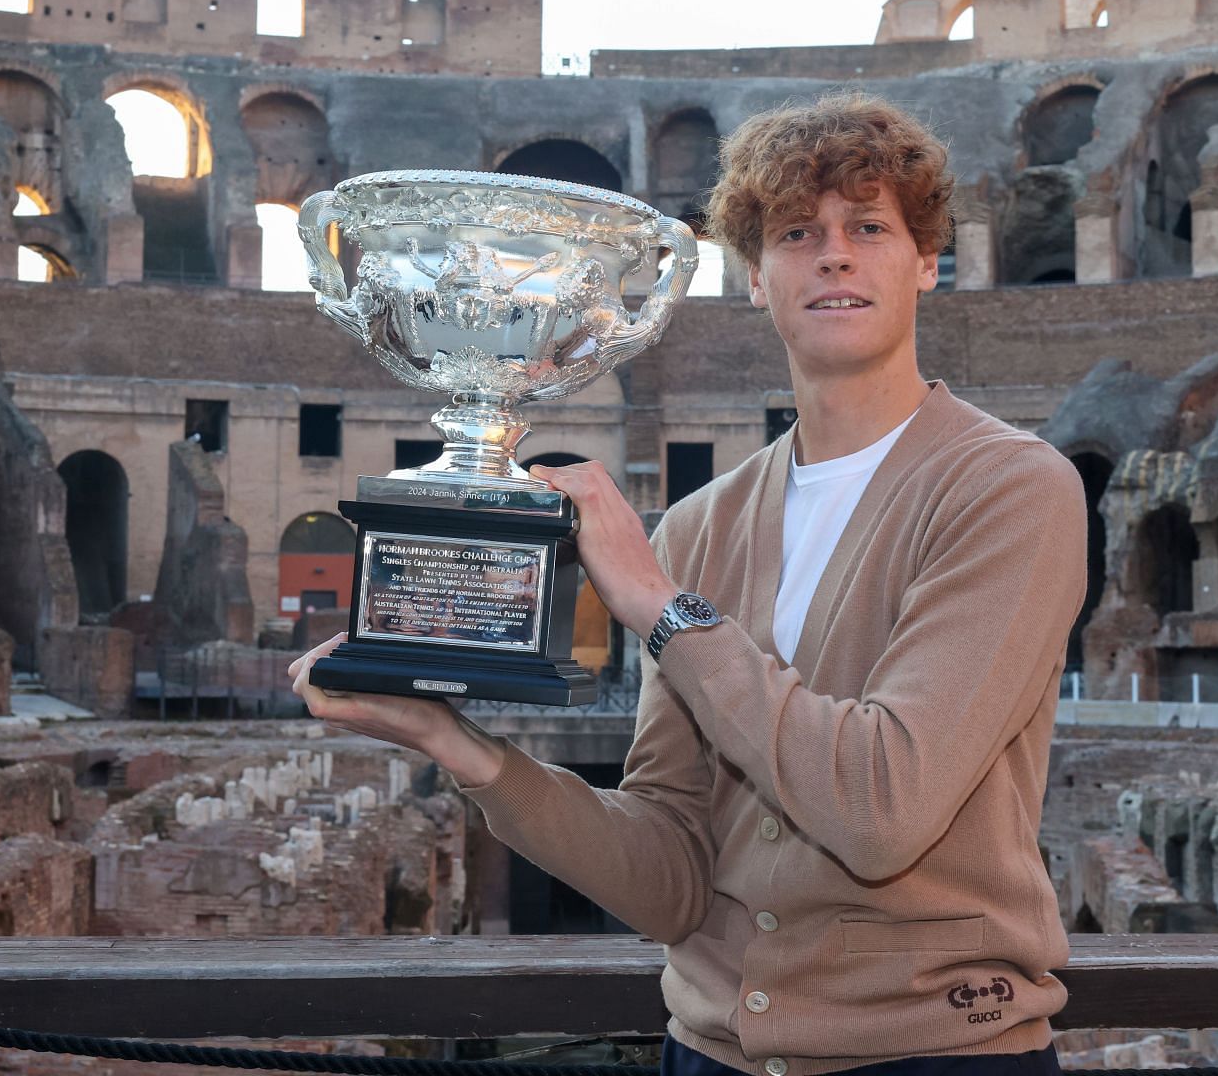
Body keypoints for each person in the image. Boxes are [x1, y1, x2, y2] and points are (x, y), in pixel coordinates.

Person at [289, 92, 1088, 1076]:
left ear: (927, 260)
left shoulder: (1010, 486)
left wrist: (662, 611)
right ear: (756, 277)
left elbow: (883, 808)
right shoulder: (704, 524)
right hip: (709, 1052)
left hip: (938, 1055)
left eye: (869, 227)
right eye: (799, 232)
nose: (833, 254)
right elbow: (671, 877)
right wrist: (461, 748)